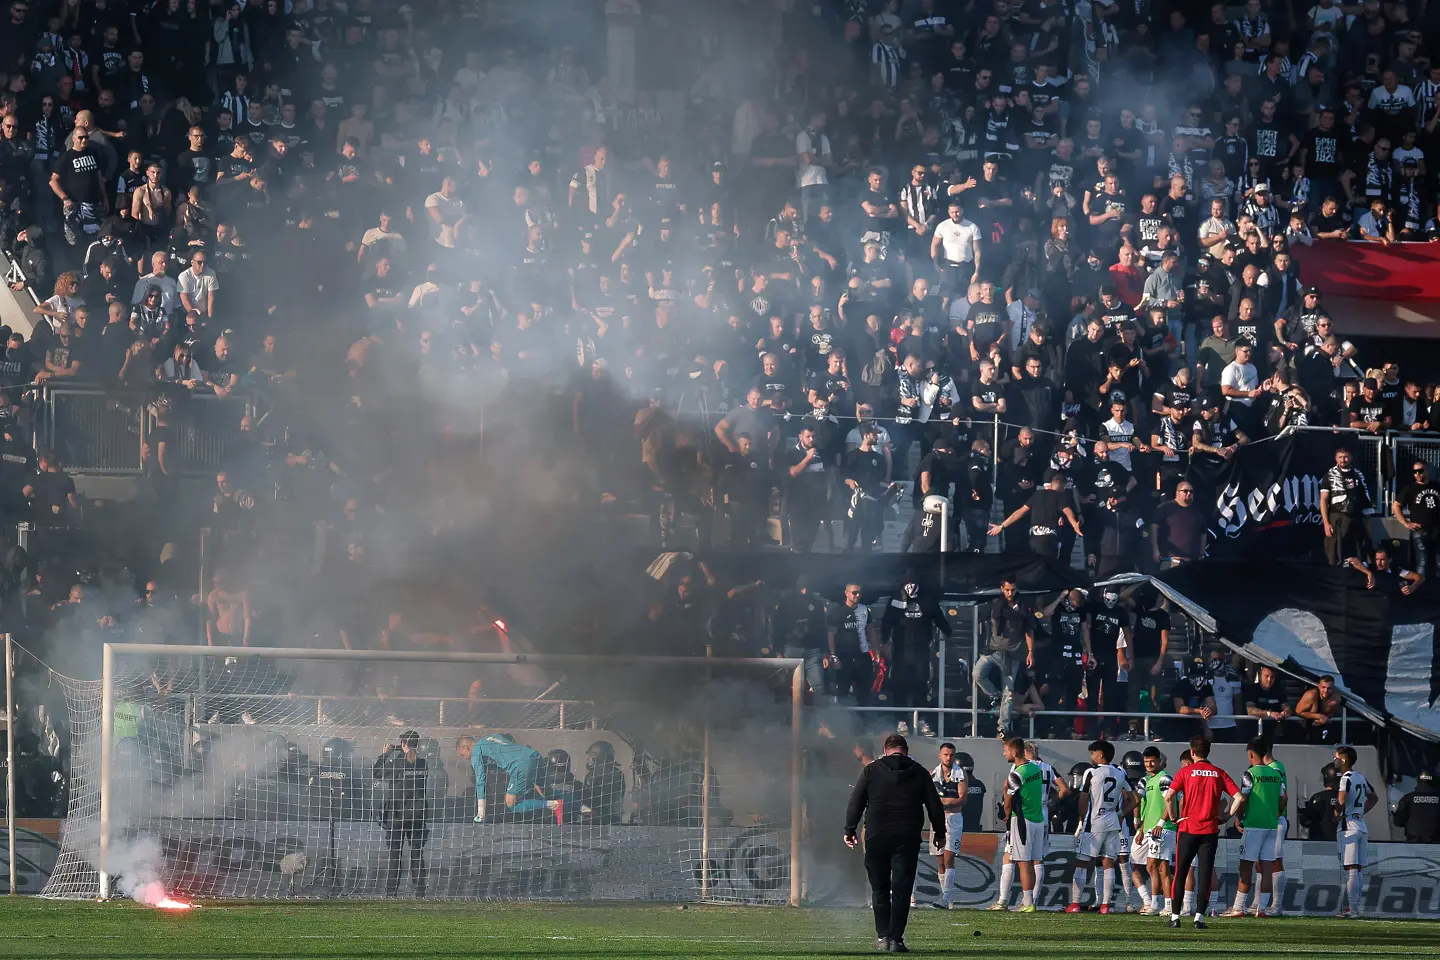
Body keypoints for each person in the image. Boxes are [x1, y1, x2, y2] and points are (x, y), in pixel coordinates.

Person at [844, 733, 947, 954]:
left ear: (885, 749)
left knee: (880, 887)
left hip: (876, 836)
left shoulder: (871, 770)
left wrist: (849, 829)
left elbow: (856, 802)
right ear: (906, 750)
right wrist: (940, 832)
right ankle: (896, 939)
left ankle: (882, 936)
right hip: (907, 837)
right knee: (902, 888)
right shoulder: (919, 772)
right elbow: (935, 806)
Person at [1164, 735, 1240, 929]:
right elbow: (1239, 797)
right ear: (1208, 752)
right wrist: (1226, 817)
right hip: (1210, 830)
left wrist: (1173, 817)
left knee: (1180, 872)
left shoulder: (1186, 772)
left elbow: (1169, 795)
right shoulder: (1218, 772)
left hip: (1188, 828)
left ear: (1192, 752)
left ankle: (1175, 917)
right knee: (1205, 873)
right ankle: (1199, 918)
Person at [1067, 740, 1132, 914]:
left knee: (1082, 862)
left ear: (1101, 754)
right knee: (1108, 862)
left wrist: (1083, 819)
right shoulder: (1120, 772)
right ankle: (1105, 906)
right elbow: (1135, 799)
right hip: (1112, 820)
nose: (1091, 756)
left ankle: (1074, 904)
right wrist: (1120, 814)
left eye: (1093, 752)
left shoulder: (1091, 771)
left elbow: (1083, 798)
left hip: (1094, 821)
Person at [1224, 738, 1284, 918]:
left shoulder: (1249, 774)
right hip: (1271, 826)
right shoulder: (1276, 774)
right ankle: (1262, 908)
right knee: (1266, 865)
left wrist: (1237, 817)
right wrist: (1276, 812)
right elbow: (1284, 798)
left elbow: (1243, 798)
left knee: (1246, 866)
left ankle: (1238, 907)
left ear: (1250, 753)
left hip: (1254, 825)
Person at [973, 578, 1034, 740]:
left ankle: (1003, 727)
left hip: (1012, 654)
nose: (1010, 593)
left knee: (1009, 692)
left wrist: (1030, 651)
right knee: (977, 674)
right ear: (1002, 588)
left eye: (1012, 590)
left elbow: (1029, 631)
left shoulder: (1024, 607)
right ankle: (994, 695)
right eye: (1007, 590)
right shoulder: (996, 605)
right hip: (993, 650)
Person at [373, 730, 428, 899]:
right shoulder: (423, 764)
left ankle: (391, 892)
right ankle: (419, 892)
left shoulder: (396, 763)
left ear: (403, 744)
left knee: (395, 855)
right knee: (417, 853)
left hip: (397, 815)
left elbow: (376, 773)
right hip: (418, 815)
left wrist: (385, 754)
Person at [1001, 736, 1047, 913]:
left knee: (1023, 862)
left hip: (1022, 820)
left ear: (1014, 752)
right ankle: (1030, 900)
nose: (1004, 753)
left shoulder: (1016, 774)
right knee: (1032, 862)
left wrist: (1005, 798)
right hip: (1038, 819)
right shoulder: (1035, 768)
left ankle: (1027, 903)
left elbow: (1009, 803)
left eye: (1005, 750)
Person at [458, 733, 547, 823]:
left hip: (521, 764)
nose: (465, 758)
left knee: (510, 803)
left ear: (465, 748)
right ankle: (558, 802)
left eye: (462, 754)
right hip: (533, 754)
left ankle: (552, 805)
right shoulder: (491, 737)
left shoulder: (476, 751)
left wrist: (481, 813)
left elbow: (480, 782)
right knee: (544, 791)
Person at [1334, 745, 1378, 917]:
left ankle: (1353, 910)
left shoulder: (1345, 778)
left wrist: (1337, 813)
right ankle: (1355, 908)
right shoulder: (1360, 777)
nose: (1335, 761)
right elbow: (1374, 797)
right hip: (1361, 825)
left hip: (1348, 826)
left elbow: (1341, 800)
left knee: (1350, 868)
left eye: (1336, 757)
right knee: (1358, 869)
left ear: (1343, 760)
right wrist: (1361, 811)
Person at [1136, 747, 1176, 916]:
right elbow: (1149, 808)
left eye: (1152, 761)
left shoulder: (1164, 778)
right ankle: (1157, 904)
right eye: (1146, 761)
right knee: (1154, 866)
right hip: (1152, 829)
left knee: (1160, 867)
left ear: (1159, 761)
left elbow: (1169, 801)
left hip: (1163, 829)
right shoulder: (1149, 780)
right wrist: (1141, 830)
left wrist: (1160, 823)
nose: (1149, 764)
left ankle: (1166, 905)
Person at [930, 741, 969, 910]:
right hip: (937, 818)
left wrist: (943, 803)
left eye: (951, 754)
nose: (949, 757)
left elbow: (962, 799)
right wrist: (945, 802)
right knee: (939, 859)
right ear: (940, 756)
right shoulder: (934, 774)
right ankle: (946, 896)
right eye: (945, 754)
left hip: (954, 818)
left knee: (949, 857)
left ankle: (946, 897)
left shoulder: (960, 773)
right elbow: (930, 799)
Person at [1393, 770, 1440, 844]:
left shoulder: (1408, 798)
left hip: (1414, 844)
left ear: (1418, 781)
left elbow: (1398, 822)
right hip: (1436, 844)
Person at [1294, 674, 1342, 743]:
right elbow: (1298, 711)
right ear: (1319, 686)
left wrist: (1322, 720)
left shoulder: (1336, 699)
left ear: (1333, 688)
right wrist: (1319, 716)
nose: (1326, 690)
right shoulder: (1311, 695)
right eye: (1323, 687)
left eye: (1329, 688)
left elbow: (1330, 714)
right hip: (1303, 725)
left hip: (1320, 727)